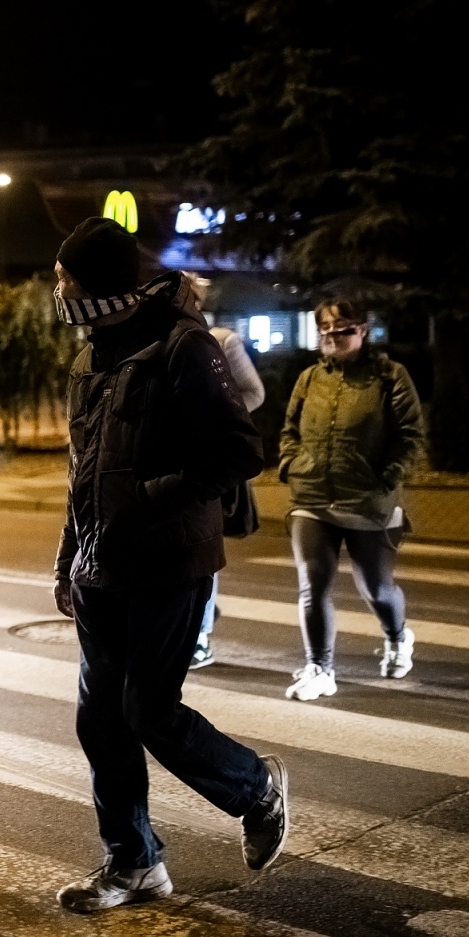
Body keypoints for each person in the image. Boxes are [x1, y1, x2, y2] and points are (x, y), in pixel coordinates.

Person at [49, 217, 290, 914]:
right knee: (101, 721)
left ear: (101, 286)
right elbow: (82, 471)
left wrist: (148, 496)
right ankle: (134, 863)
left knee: (148, 711)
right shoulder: (90, 355)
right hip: (102, 565)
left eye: (66, 281)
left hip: (167, 560)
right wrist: (68, 556)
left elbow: (239, 452)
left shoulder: (185, 348)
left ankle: (256, 790)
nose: (59, 293)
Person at [278, 298, 425, 700]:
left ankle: (397, 636)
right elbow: (289, 429)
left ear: (363, 330)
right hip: (312, 496)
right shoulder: (309, 377)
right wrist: (292, 464)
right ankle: (320, 668)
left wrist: (385, 479)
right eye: (325, 330)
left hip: (368, 500)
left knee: (376, 589)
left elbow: (410, 435)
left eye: (342, 329)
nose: (332, 337)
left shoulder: (390, 376)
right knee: (312, 584)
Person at [187, 274, 267, 669]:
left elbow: (253, 393)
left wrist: (217, 423)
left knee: (203, 542)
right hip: (171, 463)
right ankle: (198, 614)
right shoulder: (154, 345)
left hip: (210, 462)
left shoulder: (220, 341)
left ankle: (200, 636)